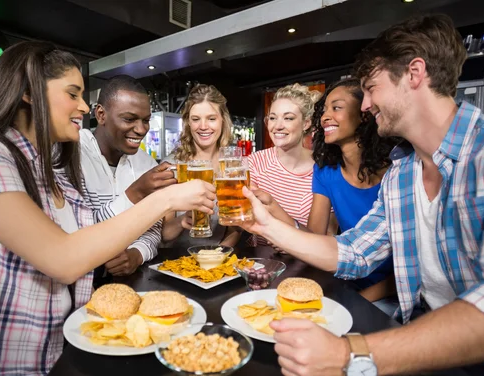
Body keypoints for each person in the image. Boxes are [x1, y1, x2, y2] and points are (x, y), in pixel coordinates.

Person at [0, 41, 215, 376]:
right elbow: (64, 260)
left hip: (52, 364)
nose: (83, 107)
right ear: (28, 93)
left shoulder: (54, 170)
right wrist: (162, 198)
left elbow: (91, 238)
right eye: (73, 94)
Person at [240, 15, 484, 376]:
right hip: (422, 352)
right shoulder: (403, 173)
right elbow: (353, 252)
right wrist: (264, 225)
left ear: (414, 74)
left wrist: (352, 354)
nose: (365, 104)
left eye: (370, 88)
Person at [259, 78, 398, 307]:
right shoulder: (326, 172)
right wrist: (273, 209)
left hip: (389, 293)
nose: (324, 117)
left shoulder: (395, 172)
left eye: (336, 108)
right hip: (345, 282)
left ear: (364, 113)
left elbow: (409, 266)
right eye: (324, 110)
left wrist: (359, 302)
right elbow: (314, 238)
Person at [80, 75, 175, 279]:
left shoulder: (146, 163)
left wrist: (137, 254)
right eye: (129, 119)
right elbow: (79, 235)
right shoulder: (72, 154)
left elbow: (154, 228)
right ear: (101, 114)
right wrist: (135, 193)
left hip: (132, 283)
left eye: (146, 120)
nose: (141, 130)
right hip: (79, 284)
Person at [162, 84, 241, 248]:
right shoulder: (172, 166)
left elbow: (235, 228)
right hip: (177, 262)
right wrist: (181, 221)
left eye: (211, 119)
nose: (203, 126)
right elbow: (164, 235)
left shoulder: (232, 166)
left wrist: (219, 255)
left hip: (217, 259)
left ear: (222, 121)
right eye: (196, 119)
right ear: (188, 122)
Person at [247, 84, 322, 247]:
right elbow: (247, 221)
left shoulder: (323, 170)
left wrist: (288, 241)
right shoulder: (256, 162)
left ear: (306, 123)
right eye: (273, 118)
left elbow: (326, 237)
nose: (277, 126)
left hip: (306, 266)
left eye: (288, 118)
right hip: (260, 264)